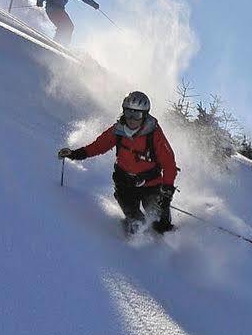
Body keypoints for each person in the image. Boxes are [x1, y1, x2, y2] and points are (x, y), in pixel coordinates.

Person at [58, 91, 179, 237]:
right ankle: (135, 247)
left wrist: (167, 190)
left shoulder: (154, 135)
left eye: (137, 115)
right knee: (136, 221)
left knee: (159, 222)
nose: (132, 119)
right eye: (129, 113)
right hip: (125, 184)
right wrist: (74, 154)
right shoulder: (118, 131)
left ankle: (165, 239)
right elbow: (98, 146)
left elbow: (169, 164)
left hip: (151, 184)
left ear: (145, 115)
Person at [35, 0, 99, 46]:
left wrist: (93, 4)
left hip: (60, 10)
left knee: (70, 27)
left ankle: (64, 45)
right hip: (52, 9)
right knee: (63, 26)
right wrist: (40, 1)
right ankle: (56, 43)